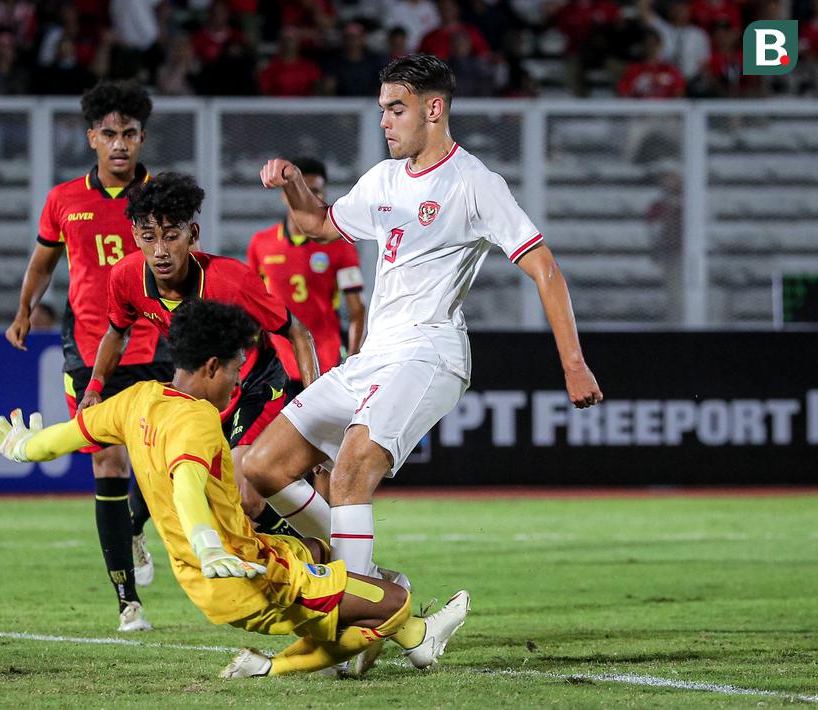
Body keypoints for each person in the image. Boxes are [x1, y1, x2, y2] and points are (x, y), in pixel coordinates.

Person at [243, 54, 602, 666]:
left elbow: (543, 267)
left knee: (353, 469)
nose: (385, 120)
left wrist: (573, 362)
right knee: (262, 466)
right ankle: (382, 592)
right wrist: (294, 183)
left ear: (434, 109)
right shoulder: (384, 179)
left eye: (396, 108)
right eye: (382, 107)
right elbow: (319, 223)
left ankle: (358, 622)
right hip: (374, 355)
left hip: (430, 351)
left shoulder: (474, 183)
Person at [0, 299, 470, 678]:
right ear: (212, 366)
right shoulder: (196, 420)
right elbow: (188, 486)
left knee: (323, 551)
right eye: (236, 369)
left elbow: (67, 436)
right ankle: (406, 640)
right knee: (393, 599)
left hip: (222, 568)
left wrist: (25, 448)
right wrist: (208, 543)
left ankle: (312, 645)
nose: (237, 382)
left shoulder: (136, 399)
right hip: (245, 574)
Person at [5, 81, 171, 634]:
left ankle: (136, 525)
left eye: (128, 134)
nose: (119, 144)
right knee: (108, 462)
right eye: (108, 134)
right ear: (91, 138)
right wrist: (25, 309)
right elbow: (42, 262)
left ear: (141, 137)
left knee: (167, 463)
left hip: (159, 343)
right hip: (87, 349)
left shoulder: (162, 194)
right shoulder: (63, 200)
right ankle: (128, 604)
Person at [87, 172, 319, 543]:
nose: (160, 250)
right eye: (149, 238)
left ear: (192, 235)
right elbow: (117, 332)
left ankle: (313, 550)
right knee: (191, 486)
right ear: (134, 237)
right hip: (203, 392)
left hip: (254, 382)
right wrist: (95, 387)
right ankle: (297, 546)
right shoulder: (125, 278)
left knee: (245, 493)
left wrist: (315, 411)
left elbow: (297, 332)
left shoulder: (232, 281)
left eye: (171, 236)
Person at [246, 157, 365, 401]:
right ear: (284, 194)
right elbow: (252, 308)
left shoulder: (339, 246)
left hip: (325, 362)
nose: (307, 196)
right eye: (300, 189)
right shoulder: (261, 244)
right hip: (276, 366)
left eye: (315, 191)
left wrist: (353, 361)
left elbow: (357, 310)